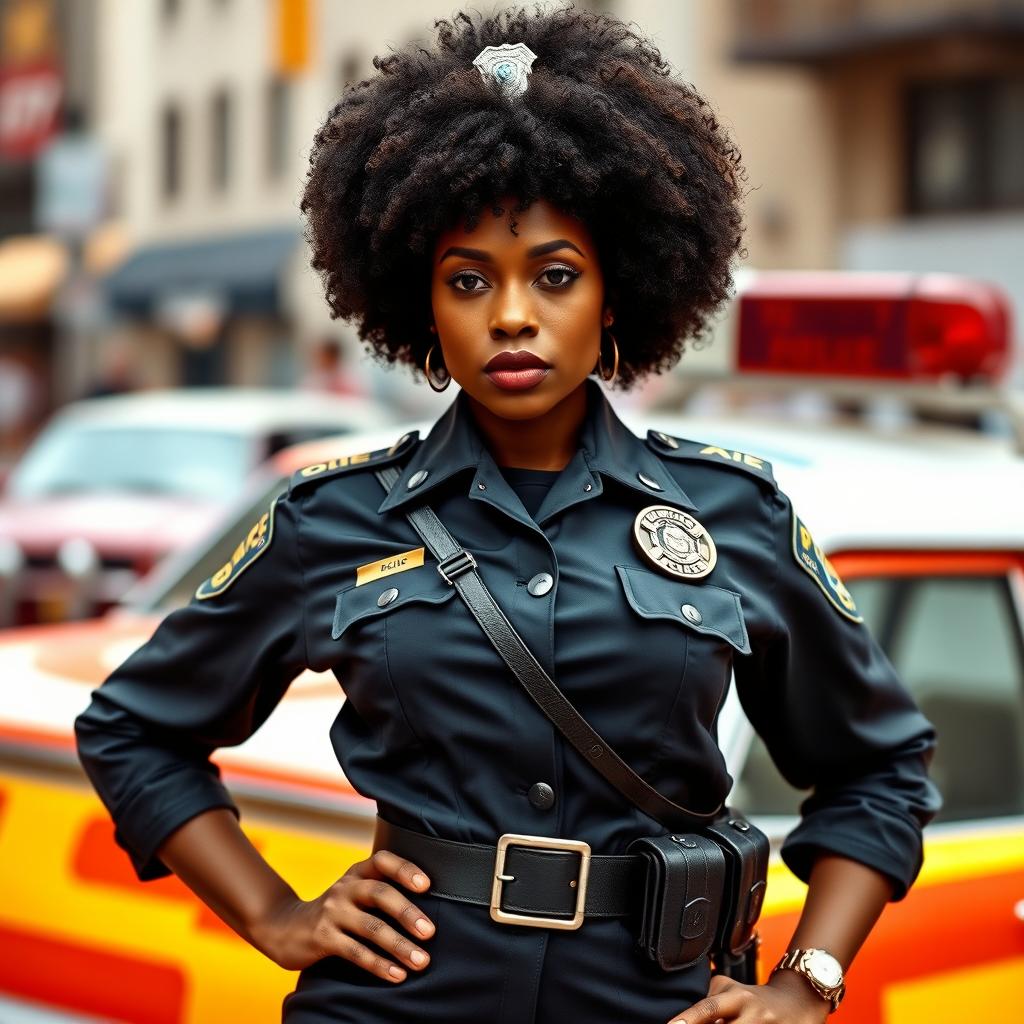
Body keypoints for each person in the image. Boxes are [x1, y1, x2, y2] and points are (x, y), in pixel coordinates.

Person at [74, 7, 940, 1023]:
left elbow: (876, 767)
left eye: (555, 276)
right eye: (468, 280)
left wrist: (807, 982)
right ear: (419, 303)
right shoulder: (330, 519)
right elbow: (134, 727)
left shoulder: (734, 515)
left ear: (616, 293)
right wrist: (273, 912)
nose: (513, 314)